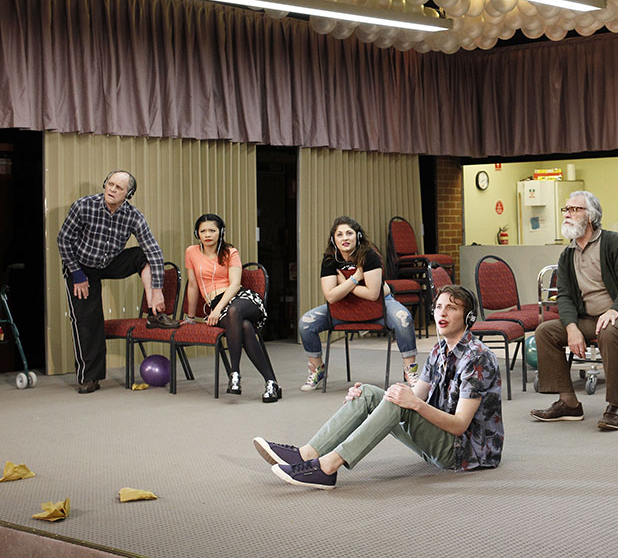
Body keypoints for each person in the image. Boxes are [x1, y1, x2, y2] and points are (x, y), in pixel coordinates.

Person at [253, 285, 503, 489]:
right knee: (369, 393)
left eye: (451, 308)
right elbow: (415, 396)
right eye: (438, 307)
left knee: (400, 402)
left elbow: (459, 425)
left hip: (464, 453)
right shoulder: (439, 351)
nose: (442, 313)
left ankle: (328, 467)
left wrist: (412, 403)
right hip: (439, 440)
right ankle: (307, 453)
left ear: (468, 318)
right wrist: (374, 399)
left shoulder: (477, 358)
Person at [530, 190, 618, 431]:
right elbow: (564, 296)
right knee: (545, 331)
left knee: (610, 331)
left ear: (590, 216)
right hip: (590, 318)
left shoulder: (614, 243)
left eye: (574, 209)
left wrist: (615, 310)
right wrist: (571, 328)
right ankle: (568, 402)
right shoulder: (567, 255)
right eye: (566, 209)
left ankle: (617, 407)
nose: (567, 214)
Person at [57, 170, 166, 393]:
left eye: (119, 188)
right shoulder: (84, 206)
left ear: (129, 194)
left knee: (144, 255)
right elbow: (63, 240)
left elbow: (154, 251)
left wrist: (157, 289)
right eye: (110, 184)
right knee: (88, 319)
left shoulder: (134, 216)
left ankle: (153, 308)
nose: (112, 189)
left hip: (109, 261)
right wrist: (77, 274)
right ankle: (90, 377)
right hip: (81, 266)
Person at [296, 216, 419, 391]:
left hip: (380, 306)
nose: (345, 238)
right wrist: (355, 278)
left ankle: (410, 371)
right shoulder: (330, 259)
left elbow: (372, 294)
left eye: (349, 233)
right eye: (339, 234)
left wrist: (344, 284)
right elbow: (331, 297)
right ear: (333, 239)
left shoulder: (370, 256)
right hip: (343, 308)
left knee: (403, 319)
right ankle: (318, 370)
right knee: (306, 323)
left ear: (358, 236)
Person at [182, 213, 280, 402]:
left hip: (242, 299)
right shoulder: (191, 252)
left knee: (235, 311)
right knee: (245, 327)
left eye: (212, 230)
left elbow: (235, 285)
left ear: (221, 232)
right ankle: (271, 383)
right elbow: (193, 285)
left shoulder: (230, 252)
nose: (207, 234)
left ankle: (234, 374)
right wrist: (190, 317)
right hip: (217, 305)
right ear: (197, 233)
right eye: (203, 231)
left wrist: (218, 309)